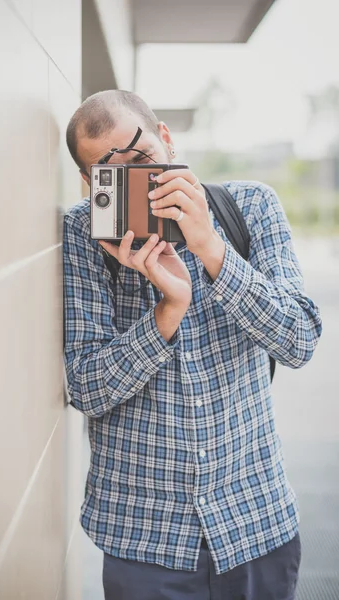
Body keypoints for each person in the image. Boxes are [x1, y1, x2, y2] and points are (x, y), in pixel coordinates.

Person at [63, 90, 322, 600]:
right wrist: (167, 312)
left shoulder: (251, 205)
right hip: (143, 541)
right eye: (109, 173)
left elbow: (299, 340)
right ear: (89, 183)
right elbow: (86, 387)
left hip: (256, 523)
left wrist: (211, 249)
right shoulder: (82, 234)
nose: (135, 181)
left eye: (142, 161)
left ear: (165, 138)